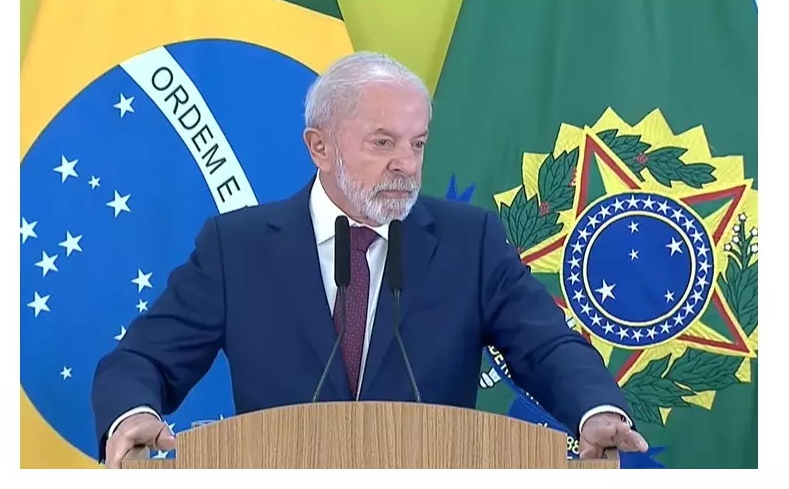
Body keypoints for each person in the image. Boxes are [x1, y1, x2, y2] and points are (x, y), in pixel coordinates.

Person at [91, 51, 648, 468]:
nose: (407, 163)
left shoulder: (468, 241)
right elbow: (142, 361)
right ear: (320, 147)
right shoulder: (237, 248)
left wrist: (596, 409)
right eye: (383, 143)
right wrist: (132, 412)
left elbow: (545, 346)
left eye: (417, 143)